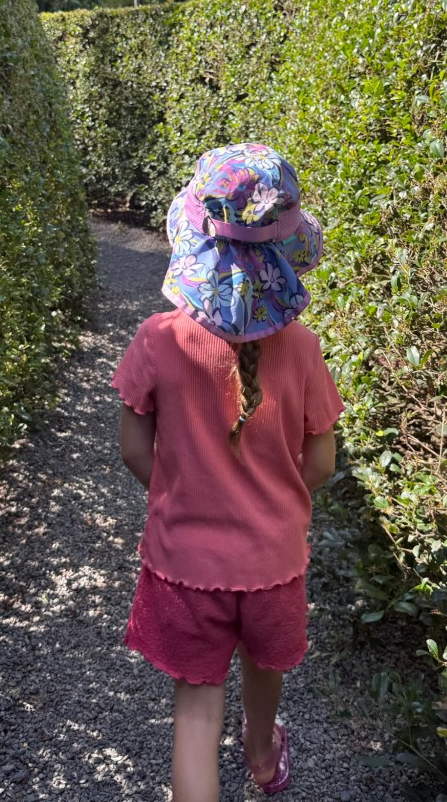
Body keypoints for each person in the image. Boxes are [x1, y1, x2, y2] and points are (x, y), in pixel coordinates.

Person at [111, 143, 344, 801]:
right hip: (274, 565)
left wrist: (178, 491)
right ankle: (262, 755)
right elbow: (321, 460)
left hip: (186, 565)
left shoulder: (160, 338)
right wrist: (277, 500)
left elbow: (133, 448)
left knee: (194, 713)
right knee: (265, 666)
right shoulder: (303, 348)